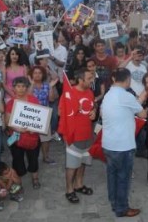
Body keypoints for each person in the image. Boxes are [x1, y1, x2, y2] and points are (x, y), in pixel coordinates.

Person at [101, 68, 148, 218]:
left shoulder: (108, 94)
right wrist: (142, 103)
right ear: (127, 80)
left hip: (108, 143)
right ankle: (122, 208)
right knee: (123, 177)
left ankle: (114, 202)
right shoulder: (126, 96)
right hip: (123, 144)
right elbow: (142, 113)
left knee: (112, 175)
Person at [59, 68, 96, 204]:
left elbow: (92, 107)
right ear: (80, 80)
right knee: (72, 165)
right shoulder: (69, 93)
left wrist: (94, 112)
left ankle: (79, 185)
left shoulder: (90, 92)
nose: (92, 81)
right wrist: (74, 110)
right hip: (74, 135)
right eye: (89, 79)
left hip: (87, 134)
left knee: (83, 161)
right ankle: (69, 190)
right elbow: (60, 112)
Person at [4, 77, 41, 190]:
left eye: (23, 86)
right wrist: (19, 129)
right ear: (14, 88)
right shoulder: (10, 103)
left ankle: (35, 179)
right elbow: (7, 121)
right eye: (18, 86)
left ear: (27, 88)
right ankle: (18, 181)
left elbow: (39, 117)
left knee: (33, 159)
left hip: (32, 135)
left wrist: (35, 127)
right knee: (17, 160)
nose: (21, 89)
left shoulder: (34, 100)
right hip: (16, 136)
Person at [29, 66, 58, 164]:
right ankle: (32, 158)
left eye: (39, 73)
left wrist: (51, 87)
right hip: (31, 115)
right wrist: (32, 85)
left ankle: (46, 157)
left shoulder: (47, 85)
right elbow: (27, 98)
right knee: (31, 138)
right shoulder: (27, 85)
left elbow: (51, 99)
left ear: (43, 75)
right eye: (35, 73)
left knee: (46, 138)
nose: (37, 75)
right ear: (31, 75)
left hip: (44, 114)